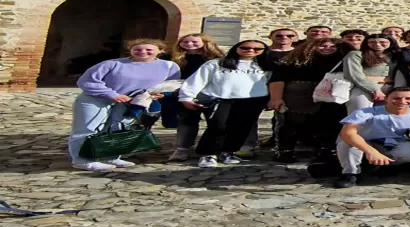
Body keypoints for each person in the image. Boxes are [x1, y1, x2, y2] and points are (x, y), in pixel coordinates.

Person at [69, 39, 179, 172]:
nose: (143, 52)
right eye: (137, 49)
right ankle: (82, 160)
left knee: (118, 128)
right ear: (131, 50)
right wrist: (112, 94)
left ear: (160, 51)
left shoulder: (169, 66)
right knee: (88, 129)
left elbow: (171, 84)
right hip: (96, 99)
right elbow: (86, 81)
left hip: (131, 102)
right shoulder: (112, 64)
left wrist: (161, 94)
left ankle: (111, 156)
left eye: (148, 49)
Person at [179, 40, 272, 169]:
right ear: (236, 48)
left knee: (241, 128)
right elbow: (197, 80)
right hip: (222, 98)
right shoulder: (217, 63)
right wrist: (186, 97)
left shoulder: (266, 65)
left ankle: (228, 152)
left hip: (253, 100)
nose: (250, 51)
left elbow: (271, 84)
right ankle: (208, 154)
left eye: (257, 49)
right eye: (245, 48)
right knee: (218, 126)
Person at [333, 87, 410, 188]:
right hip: (364, 144)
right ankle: (351, 174)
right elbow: (347, 133)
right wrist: (371, 151)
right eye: (396, 98)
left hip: (391, 145)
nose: (402, 101)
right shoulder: (366, 112)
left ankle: (389, 165)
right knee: (347, 143)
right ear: (386, 98)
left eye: (408, 98)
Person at [268, 36, 348, 163]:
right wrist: (276, 98)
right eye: (323, 45)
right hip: (298, 95)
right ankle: (284, 150)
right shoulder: (295, 60)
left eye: (333, 46)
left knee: (328, 124)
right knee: (291, 123)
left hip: (329, 95)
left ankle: (324, 150)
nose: (327, 48)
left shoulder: (343, 61)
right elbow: (278, 79)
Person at [164, 33, 224, 162]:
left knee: (214, 122)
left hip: (210, 93)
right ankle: (182, 148)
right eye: (185, 41)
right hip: (184, 92)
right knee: (187, 120)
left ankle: (213, 148)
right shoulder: (172, 57)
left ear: (205, 42)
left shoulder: (217, 58)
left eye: (194, 41)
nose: (189, 44)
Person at [344, 33, 395, 112]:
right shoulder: (356, 54)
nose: (377, 44)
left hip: (390, 89)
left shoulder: (396, 56)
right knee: (360, 115)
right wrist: (375, 89)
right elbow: (354, 74)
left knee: (383, 117)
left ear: (390, 43)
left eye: (383, 42)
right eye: (372, 42)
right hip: (363, 88)